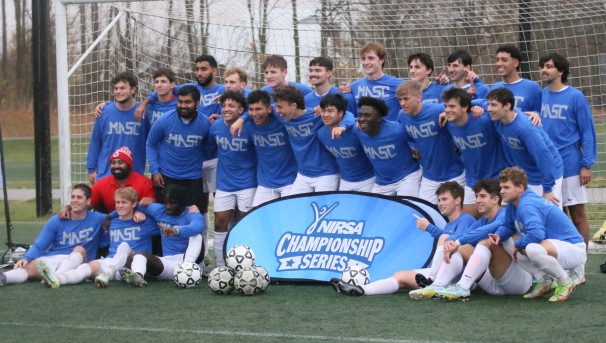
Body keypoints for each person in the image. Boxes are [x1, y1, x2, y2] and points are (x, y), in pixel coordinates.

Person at [330, 181, 476, 296]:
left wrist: (429, 227)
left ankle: (433, 282)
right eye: (438, 199)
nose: (440, 203)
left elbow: (458, 241)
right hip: (442, 271)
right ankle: (361, 290)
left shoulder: (466, 219)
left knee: (445, 238)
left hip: (458, 275)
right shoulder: (450, 223)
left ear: (458, 200)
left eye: (445, 199)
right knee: (400, 276)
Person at [231, 85, 354, 194]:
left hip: (326, 174)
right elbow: (259, 108)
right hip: (303, 175)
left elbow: (347, 114)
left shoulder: (316, 115)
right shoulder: (282, 116)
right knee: (294, 210)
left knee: (321, 210)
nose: (277, 110)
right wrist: (242, 119)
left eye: (280, 107)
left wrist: (343, 126)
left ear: (293, 106)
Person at [422, 179, 532, 301]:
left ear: (496, 199)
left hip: (518, 284)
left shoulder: (505, 215)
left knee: (488, 241)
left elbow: (487, 230)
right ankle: (438, 284)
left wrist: (457, 242)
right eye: (476, 197)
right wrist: (450, 242)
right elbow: (464, 234)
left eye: (482, 196)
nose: (477, 201)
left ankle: (462, 287)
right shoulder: (480, 222)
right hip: (491, 285)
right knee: (462, 247)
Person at [491, 167, 586, 302]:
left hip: (573, 250)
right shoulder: (514, 202)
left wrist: (518, 245)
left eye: (506, 187)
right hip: (554, 247)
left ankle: (565, 282)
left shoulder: (527, 204)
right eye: (501, 187)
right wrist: (499, 234)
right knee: (506, 240)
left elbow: (537, 234)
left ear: (520, 188)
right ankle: (545, 280)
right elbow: (509, 226)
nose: (501, 191)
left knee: (532, 249)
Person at [539, 53, 596, 248]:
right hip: (549, 165)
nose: (543, 70)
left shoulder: (575, 96)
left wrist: (586, 165)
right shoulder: (543, 95)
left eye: (548, 66)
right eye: (543, 66)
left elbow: (587, 132)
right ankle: (564, 258)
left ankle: (581, 260)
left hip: (571, 163)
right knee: (557, 215)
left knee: (577, 216)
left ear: (560, 71)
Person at [0, 185, 107, 288]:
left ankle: (55, 278)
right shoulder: (57, 220)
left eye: (79, 197)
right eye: (73, 197)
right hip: (55, 258)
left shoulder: (98, 218)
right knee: (29, 267)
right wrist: (26, 258)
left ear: (88, 201)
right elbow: (40, 245)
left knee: (79, 249)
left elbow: (120, 214)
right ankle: (3, 278)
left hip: (79, 263)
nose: (74, 200)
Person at [55, 187, 158, 288]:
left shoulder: (145, 222)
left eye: (124, 202)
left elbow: (163, 221)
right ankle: (59, 279)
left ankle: (109, 274)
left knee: (124, 246)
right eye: (118, 202)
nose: (120, 206)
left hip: (133, 264)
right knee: (85, 268)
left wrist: (139, 211)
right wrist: (67, 207)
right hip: (112, 261)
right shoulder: (110, 222)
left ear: (134, 204)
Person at [487, 87, 564, 207]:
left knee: (547, 216)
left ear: (507, 106)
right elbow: (479, 102)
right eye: (489, 105)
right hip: (524, 175)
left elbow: (544, 156)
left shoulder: (526, 128)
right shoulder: (498, 119)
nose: (489, 109)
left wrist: (548, 189)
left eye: (493, 105)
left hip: (545, 175)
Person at [396, 80, 467, 205]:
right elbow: (402, 136)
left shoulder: (437, 110)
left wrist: (450, 113)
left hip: (453, 173)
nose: (402, 103)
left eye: (406, 99)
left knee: (454, 213)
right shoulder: (402, 116)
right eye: (400, 100)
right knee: (424, 212)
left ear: (419, 96)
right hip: (429, 176)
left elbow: (467, 107)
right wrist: (411, 147)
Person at [118, 184, 204, 287]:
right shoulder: (159, 210)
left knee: (197, 236)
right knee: (140, 256)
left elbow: (197, 227)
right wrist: (111, 216)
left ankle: (187, 267)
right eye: (166, 202)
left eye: (172, 203)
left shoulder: (191, 213)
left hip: (192, 262)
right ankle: (138, 277)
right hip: (169, 261)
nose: (168, 206)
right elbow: (130, 205)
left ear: (182, 203)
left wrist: (176, 231)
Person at [442, 88, 509, 215]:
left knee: (501, 223)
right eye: (445, 106)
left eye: (452, 106)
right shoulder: (448, 123)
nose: (447, 110)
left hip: (497, 179)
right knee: (468, 221)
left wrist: (477, 104)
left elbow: (505, 112)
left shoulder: (484, 120)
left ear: (465, 107)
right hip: (472, 181)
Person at [209, 91, 257, 267]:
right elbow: (209, 147)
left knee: (243, 223)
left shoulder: (250, 127)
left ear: (241, 110)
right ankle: (220, 266)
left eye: (231, 106)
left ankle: (245, 265)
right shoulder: (215, 127)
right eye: (224, 106)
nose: (226, 109)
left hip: (248, 184)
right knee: (221, 222)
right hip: (224, 184)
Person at [146, 85, 210, 212]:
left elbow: (211, 147)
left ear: (197, 103)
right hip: (166, 178)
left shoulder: (206, 123)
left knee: (195, 217)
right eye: (180, 101)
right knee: (164, 217)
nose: (183, 105)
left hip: (193, 179)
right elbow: (150, 144)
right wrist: (155, 170)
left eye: (187, 102)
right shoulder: (164, 120)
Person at [87, 72, 148, 184]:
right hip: (106, 175)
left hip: (134, 176)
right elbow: (95, 142)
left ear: (133, 90)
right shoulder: (103, 112)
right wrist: (91, 169)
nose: (118, 92)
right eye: (116, 88)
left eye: (123, 88)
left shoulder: (143, 113)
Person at [353, 96, 421, 196]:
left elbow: (419, 139)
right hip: (382, 183)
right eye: (360, 115)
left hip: (407, 177)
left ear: (379, 119)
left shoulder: (396, 130)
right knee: (374, 211)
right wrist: (343, 126)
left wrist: (413, 147)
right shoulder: (357, 130)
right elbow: (346, 118)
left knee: (404, 209)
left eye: (367, 115)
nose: (362, 119)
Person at [244, 90, 297, 206]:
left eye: (258, 109)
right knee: (258, 218)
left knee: (287, 218)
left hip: (289, 181)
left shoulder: (283, 122)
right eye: (251, 109)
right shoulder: (248, 124)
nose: (254, 113)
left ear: (269, 109)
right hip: (265, 183)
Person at [317, 94, 375, 191]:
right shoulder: (321, 134)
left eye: (330, 111)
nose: (325, 115)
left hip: (368, 180)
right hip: (345, 181)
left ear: (340, 113)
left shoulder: (357, 129)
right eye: (323, 111)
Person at [342, 42, 405, 121]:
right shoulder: (354, 86)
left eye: (370, 58)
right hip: (363, 132)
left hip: (388, 132)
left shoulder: (399, 84)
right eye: (363, 59)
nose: (366, 62)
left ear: (381, 60)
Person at [489, 45, 542, 113]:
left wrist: (537, 114)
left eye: (504, 60)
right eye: (497, 60)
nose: (498, 63)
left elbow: (541, 115)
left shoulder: (532, 88)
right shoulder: (495, 87)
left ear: (516, 63)